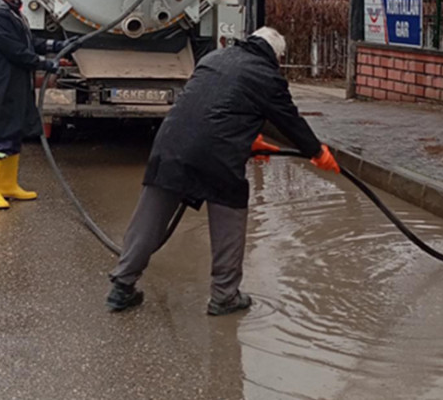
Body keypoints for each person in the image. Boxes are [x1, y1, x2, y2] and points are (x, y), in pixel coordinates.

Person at [106, 27, 340, 316]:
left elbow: (213, 104)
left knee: (150, 216)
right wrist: (317, 152)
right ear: (276, 57)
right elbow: (289, 120)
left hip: (171, 144)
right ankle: (224, 296)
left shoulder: (214, 58)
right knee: (229, 216)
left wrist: (249, 139)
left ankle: (122, 286)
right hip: (217, 155)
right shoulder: (268, 76)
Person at [0, 0, 61, 209]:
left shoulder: (11, 13)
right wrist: (45, 64)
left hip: (13, 82)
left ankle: (9, 185)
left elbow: (29, 42)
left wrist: (57, 45)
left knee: (13, 131)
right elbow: (16, 50)